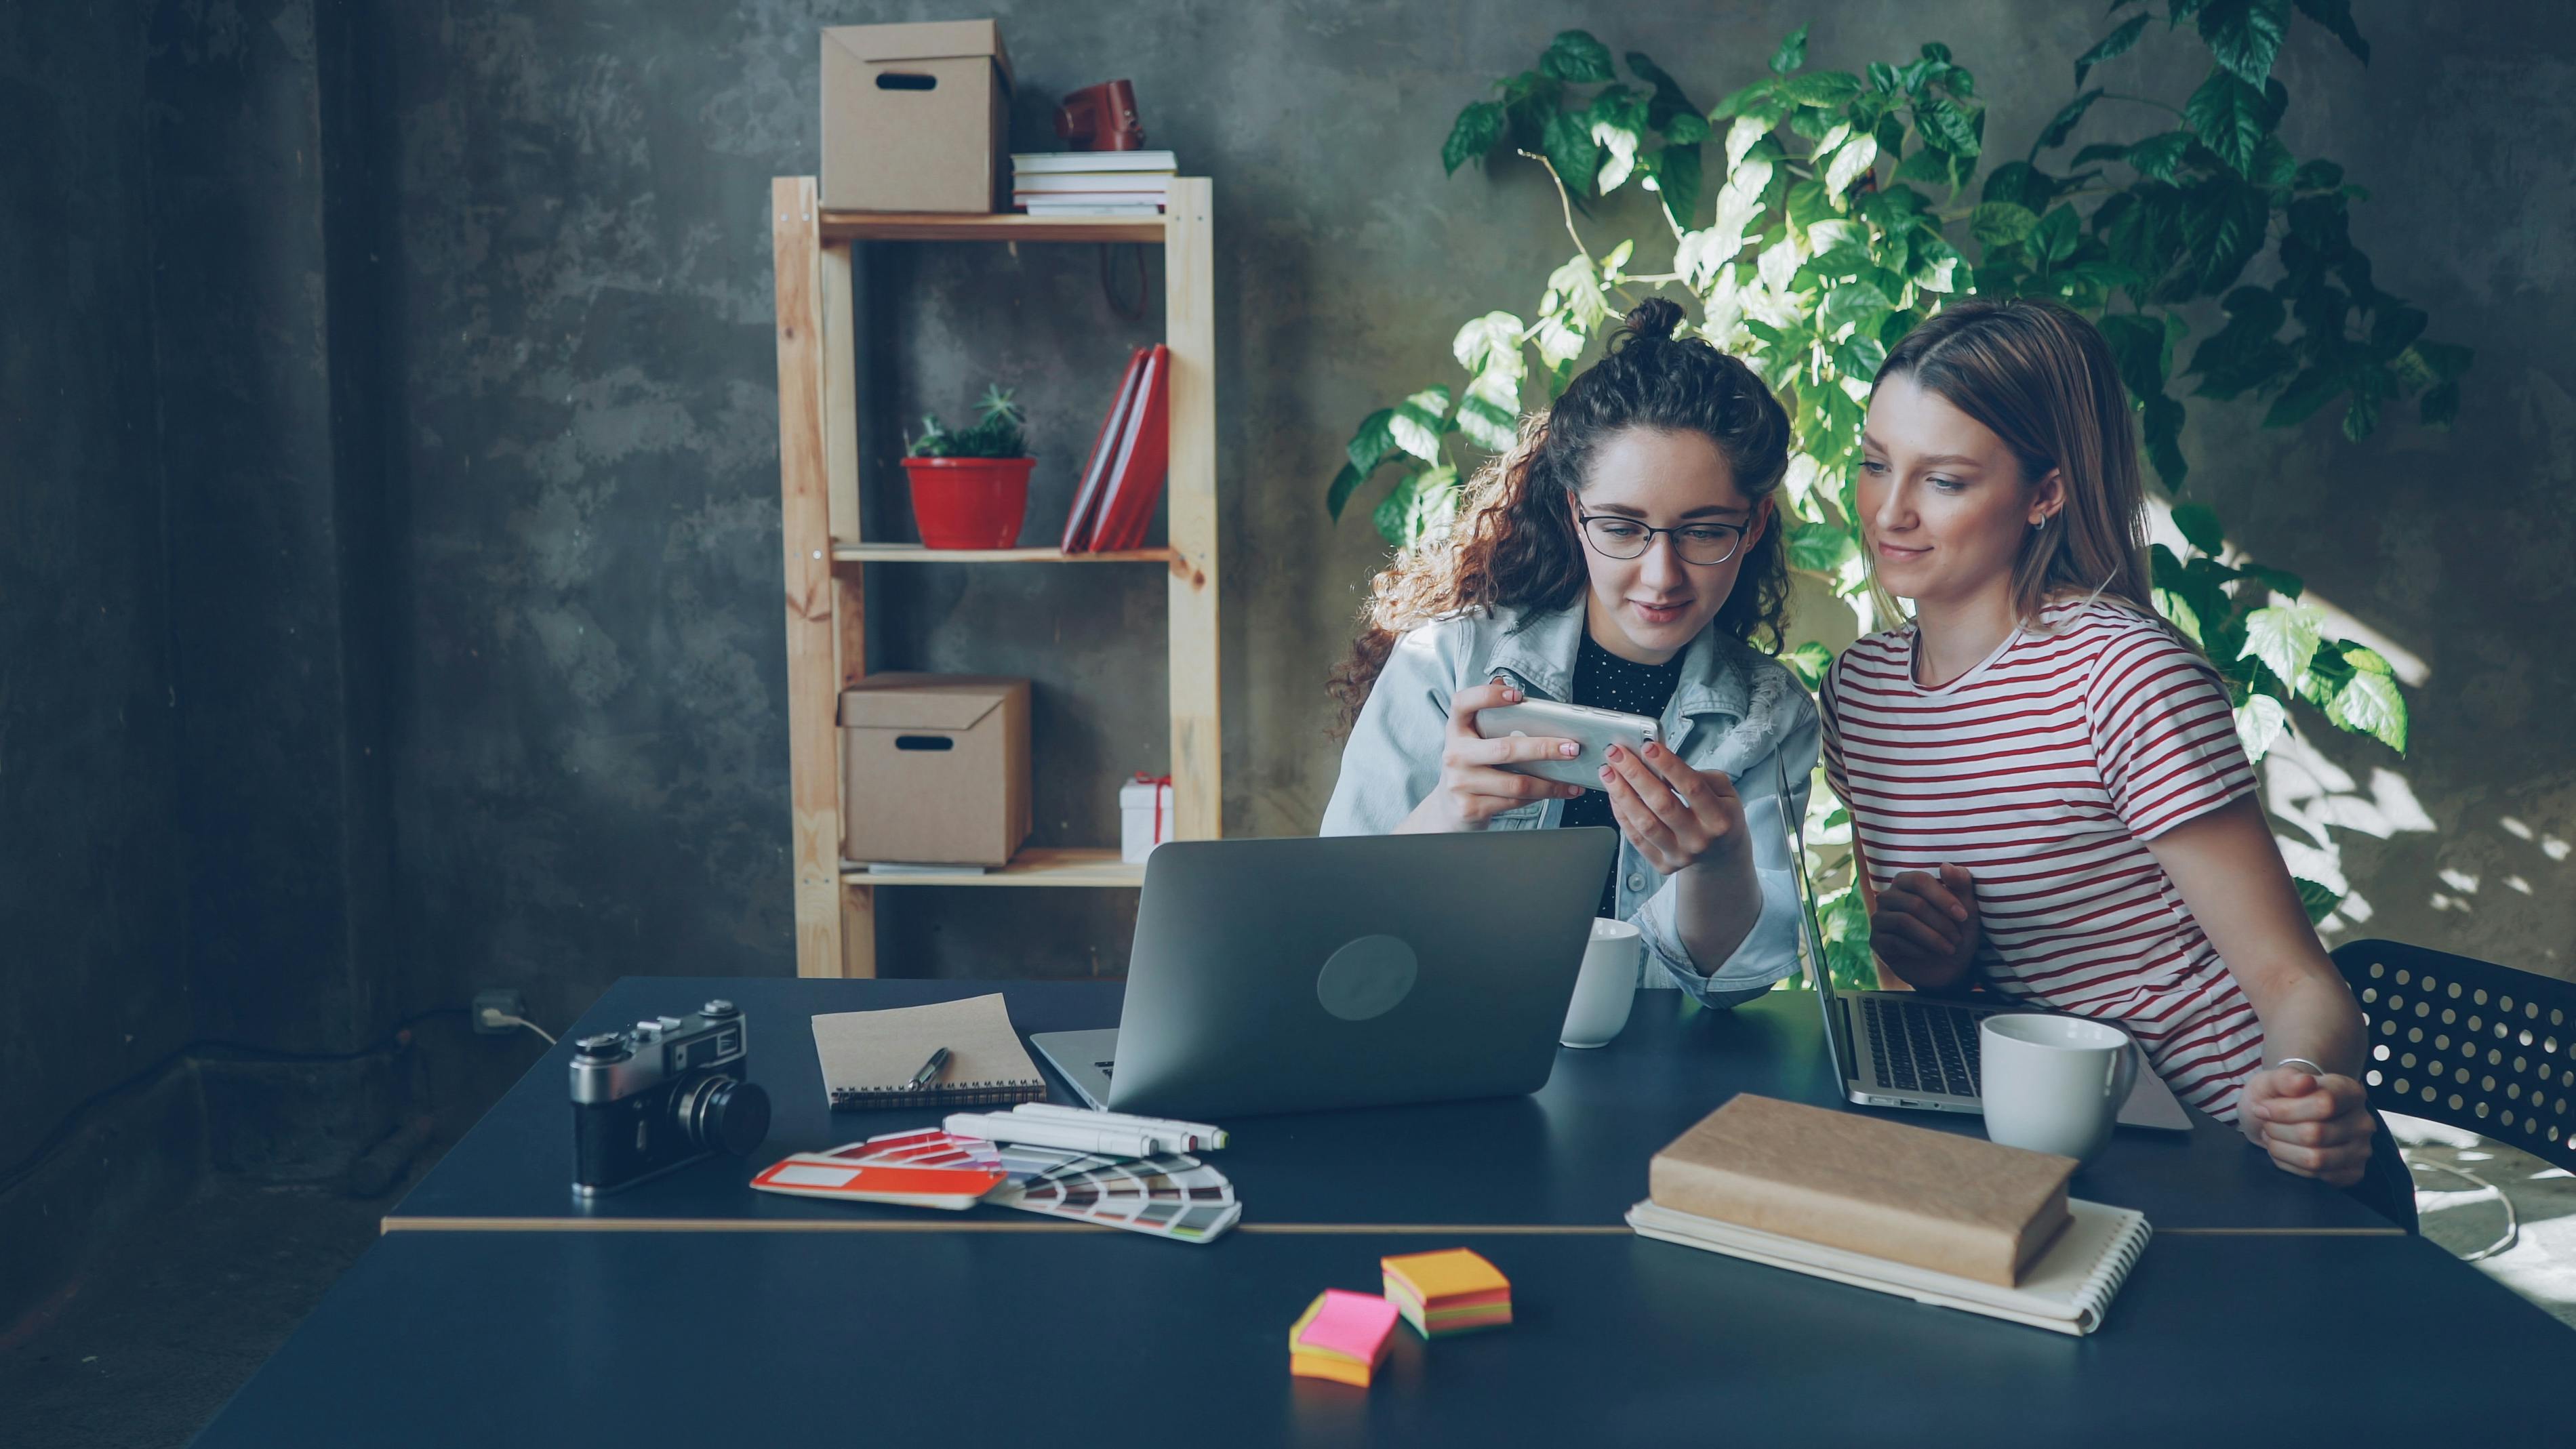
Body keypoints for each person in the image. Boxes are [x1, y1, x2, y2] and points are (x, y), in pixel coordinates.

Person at [1824, 296, 2413, 1226]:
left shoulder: (2125, 675)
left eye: (1943, 480)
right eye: (1873, 463)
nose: (1889, 511)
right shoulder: (1860, 691)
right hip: (2058, 1149)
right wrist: (1932, 959)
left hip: (2233, 1156)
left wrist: (2299, 1091)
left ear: (2045, 492)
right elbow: (1923, 989)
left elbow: (2301, 985)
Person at [1321, 299, 1817, 1006]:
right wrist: (1448, 811)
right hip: (1444, 1042)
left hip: (1649, 1077)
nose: (1661, 575)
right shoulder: (1448, 663)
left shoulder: (1771, 717)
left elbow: (1731, 984)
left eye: (1704, 531)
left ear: (1755, 520)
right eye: (1621, 526)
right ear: (1570, 513)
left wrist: (1719, 865)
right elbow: (1332, 922)